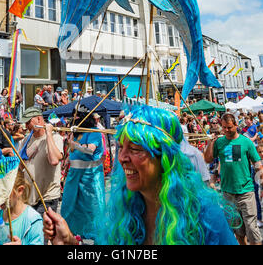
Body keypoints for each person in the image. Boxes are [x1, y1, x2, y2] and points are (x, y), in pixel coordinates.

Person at [44, 105, 238, 245]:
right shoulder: (124, 212)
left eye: (135, 149)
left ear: (165, 158)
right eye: (121, 147)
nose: (122, 158)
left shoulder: (204, 217)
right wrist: (70, 243)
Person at [204, 112, 263, 245]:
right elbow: (207, 159)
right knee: (238, 231)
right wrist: (211, 143)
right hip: (228, 194)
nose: (226, 130)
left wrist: (261, 175)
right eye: (224, 127)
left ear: (236, 125)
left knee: (252, 231)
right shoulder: (219, 142)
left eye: (229, 127)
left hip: (246, 192)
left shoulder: (245, 142)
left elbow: (257, 163)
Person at [60, 106, 105, 240]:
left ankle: (97, 237)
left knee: (92, 208)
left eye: (77, 116)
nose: (74, 119)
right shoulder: (76, 132)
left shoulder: (94, 132)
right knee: (69, 204)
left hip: (90, 175)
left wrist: (75, 145)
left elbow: (90, 150)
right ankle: (70, 234)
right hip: (74, 174)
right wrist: (66, 161)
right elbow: (73, 152)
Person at [19, 107, 63, 232]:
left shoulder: (55, 137)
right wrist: (25, 155)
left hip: (47, 196)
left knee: (40, 234)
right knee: (30, 234)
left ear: (39, 119)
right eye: (25, 123)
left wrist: (48, 133)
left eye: (29, 122)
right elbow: (19, 167)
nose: (26, 126)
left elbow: (54, 160)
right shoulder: (25, 140)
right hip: (29, 196)